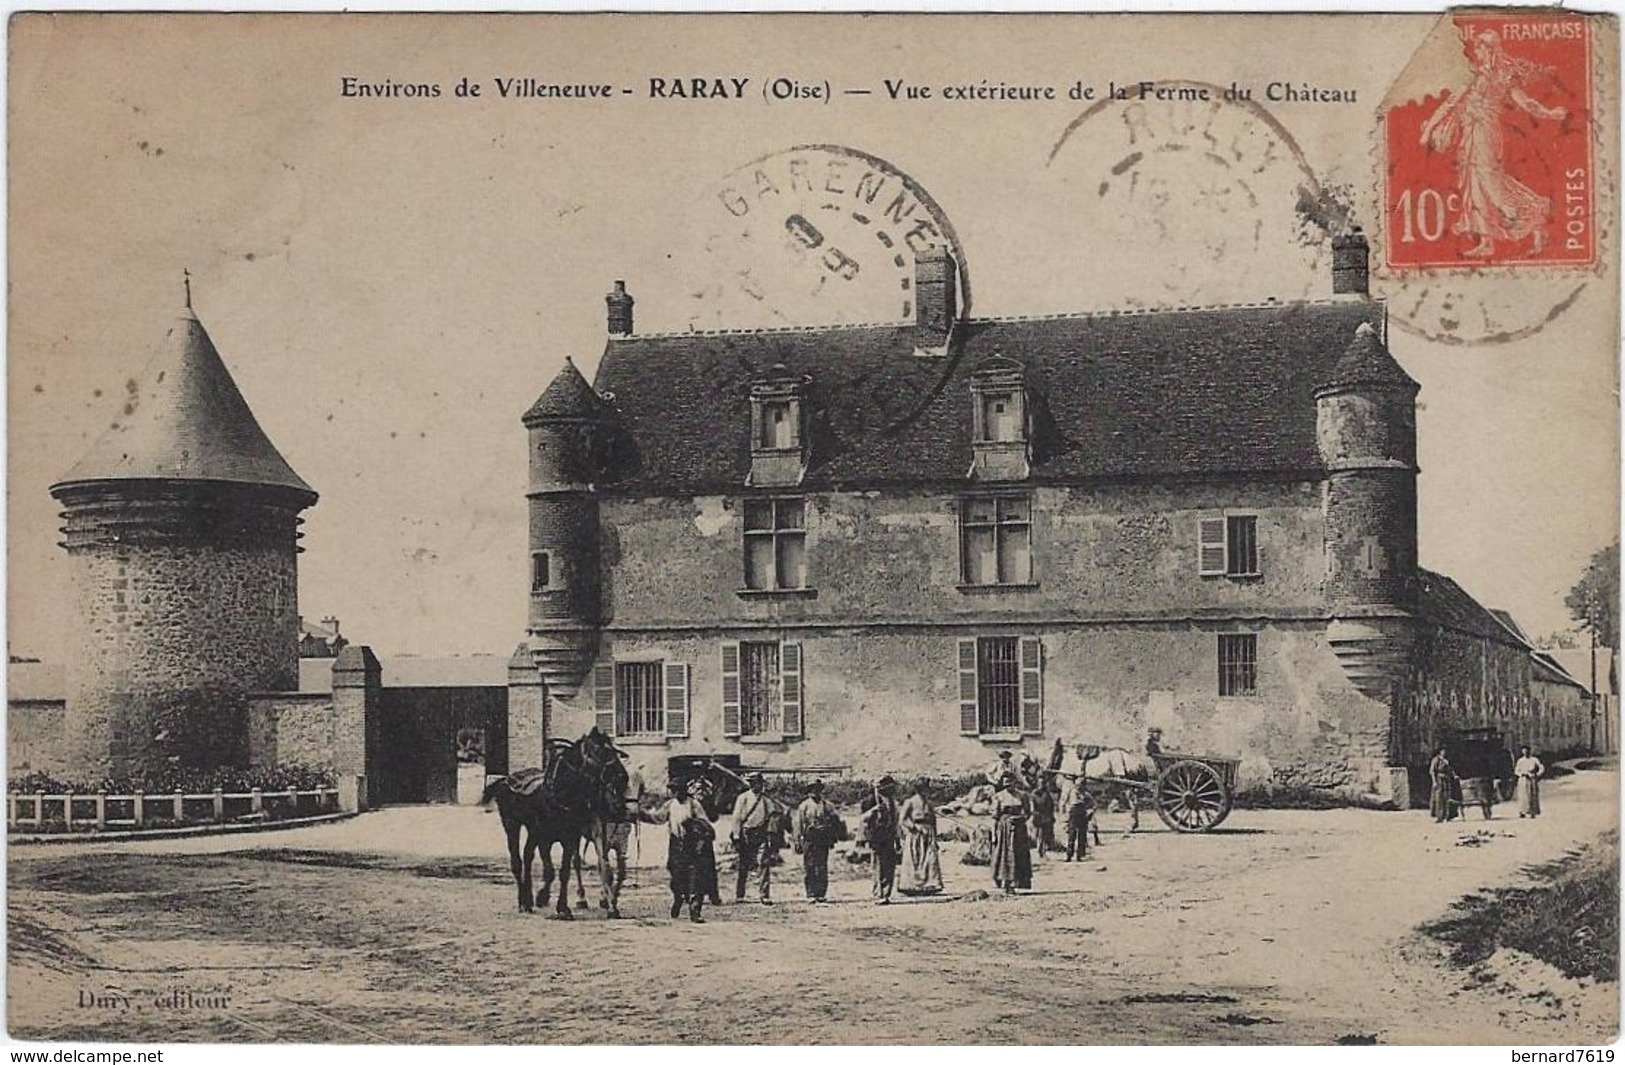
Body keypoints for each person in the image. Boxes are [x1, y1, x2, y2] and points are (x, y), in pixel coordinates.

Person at [1418, 29, 1568, 258]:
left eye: (1479, 46)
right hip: (1469, 136)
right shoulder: (1470, 76)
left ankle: (1534, 213)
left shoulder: (1504, 76)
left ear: (1488, 49)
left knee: (1491, 183)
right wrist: (1427, 131)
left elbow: (1526, 102)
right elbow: (1449, 104)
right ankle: (1487, 242)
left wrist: (1550, 113)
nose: (1476, 51)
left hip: (1486, 135)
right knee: (1474, 184)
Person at [666, 780, 714, 922]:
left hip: (692, 846)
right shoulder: (670, 805)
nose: (675, 793)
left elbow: (705, 825)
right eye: (673, 790)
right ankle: (678, 899)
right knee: (676, 878)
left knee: (695, 879)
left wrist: (699, 839)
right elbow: (657, 817)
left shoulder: (693, 804)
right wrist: (639, 814)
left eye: (677, 789)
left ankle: (695, 911)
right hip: (675, 845)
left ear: (683, 790)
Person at [792, 780, 842, 902]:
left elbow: (835, 821)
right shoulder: (804, 806)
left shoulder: (827, 805)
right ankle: (811, 893)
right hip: (809, 838)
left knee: (822, 866)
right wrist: (797, 840)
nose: (815, 792)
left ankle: (821, 893)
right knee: (809, 866)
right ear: (809, 791)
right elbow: (798, 824)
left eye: (817, 789)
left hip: (823, 839)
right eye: (813, 789)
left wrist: (833, 835)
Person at [731, 772, 775, 904]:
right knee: (744, 864)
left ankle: (764, 895)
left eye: (760, 783)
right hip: (746, 833)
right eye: (755, 783)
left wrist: (770, 834)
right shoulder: (743, 798)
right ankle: (740, 894)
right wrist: (737, 836)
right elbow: (737, 818)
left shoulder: (766, 800)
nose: (758, 786)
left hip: (761, 833)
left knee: (764, 863)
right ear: (751, 784)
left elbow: (771, 817)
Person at [860, 776, 902, 904]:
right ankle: (879, 893)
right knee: (878, 865)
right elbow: (863, 820)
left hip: (889, 837)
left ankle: (887, 893)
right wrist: (873, 811)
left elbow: (896, 823)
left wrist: (898, 841)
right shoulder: (871, 801)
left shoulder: (893, 803)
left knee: (889, 866)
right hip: (877, 837)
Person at [899, 778, 944, 896]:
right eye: (925, 789)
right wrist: (914, 827)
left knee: (930, 858)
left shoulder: (928, 804)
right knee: (914, 859)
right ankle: (911, 886)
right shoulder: (910, 802)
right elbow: (903, 820)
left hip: (928, 834)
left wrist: (935, 836)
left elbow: (933, 821)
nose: (927, 791)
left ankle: (930, 884)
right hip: (915, 834)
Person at [991, 772, 1033, 895]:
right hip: (1004, 829)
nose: (1008, 785)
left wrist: (1021, 818)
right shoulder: (999, 797)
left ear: (1015, 782)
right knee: (1005, 854)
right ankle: (1005, 883)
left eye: (1010, 782)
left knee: (1019, 854)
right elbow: (995, 817)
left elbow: (1028, 812)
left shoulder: (1022, 795)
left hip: (1019, 828)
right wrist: (994, 833)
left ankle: (1017, 882)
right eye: (1005, 783)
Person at [1064, 778, 1097, 861]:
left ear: (1084, 786)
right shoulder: (1071, 792)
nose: (1078, 787)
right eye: (1076, 785)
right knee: (1072, 835)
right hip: (1073, 814)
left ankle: (1080, 855)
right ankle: (1069, 855)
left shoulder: (1086, 795)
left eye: (1080, 785)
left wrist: (1090, 812)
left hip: (1082, 814)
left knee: (1082, 836)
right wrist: (1065, 816)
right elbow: (1064, 802)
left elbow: (1094, 805)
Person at [1514, 745, 1545, 818]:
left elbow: (1541, 768)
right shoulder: (1520, 760)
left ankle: (1532, 812)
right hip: (1523, 779)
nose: (1525, 752)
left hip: (1531, 779)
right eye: (1524, 751)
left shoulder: (1534, 760)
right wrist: (1521, 774)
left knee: (1532, 795)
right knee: (1523, 796)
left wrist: (1537, 774)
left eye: (1527, 751)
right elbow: (1516, 770)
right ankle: (1522, 811)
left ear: (1529, 751)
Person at [1030, 778, 1058, 858]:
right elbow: (1031, 805)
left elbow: (1051, 805)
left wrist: (1052, 816)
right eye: (1039, 783)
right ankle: (1040, 850)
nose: (1041, 785)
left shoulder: (1046, 793)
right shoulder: (1034, 794)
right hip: (1037, 815)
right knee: (1038, 834)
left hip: (1046, 816)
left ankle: (1043, 850)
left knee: (1045, 834)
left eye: (1042, 783)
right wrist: (1033, 814)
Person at [1429, 747, 1457, 823]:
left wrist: (1454, 775)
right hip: (1439, 781)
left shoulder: (1446, 760)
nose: (1444, 752)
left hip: (1447, 781)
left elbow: (1451, 770)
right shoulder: (1436, 760)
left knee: (1448, 798)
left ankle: (1448, 816)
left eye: (1445, 751)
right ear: (1440, 751)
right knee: (1439, 799)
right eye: (1443, 751)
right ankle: (1439, 816)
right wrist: (1434, 782)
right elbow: (1432, 771)